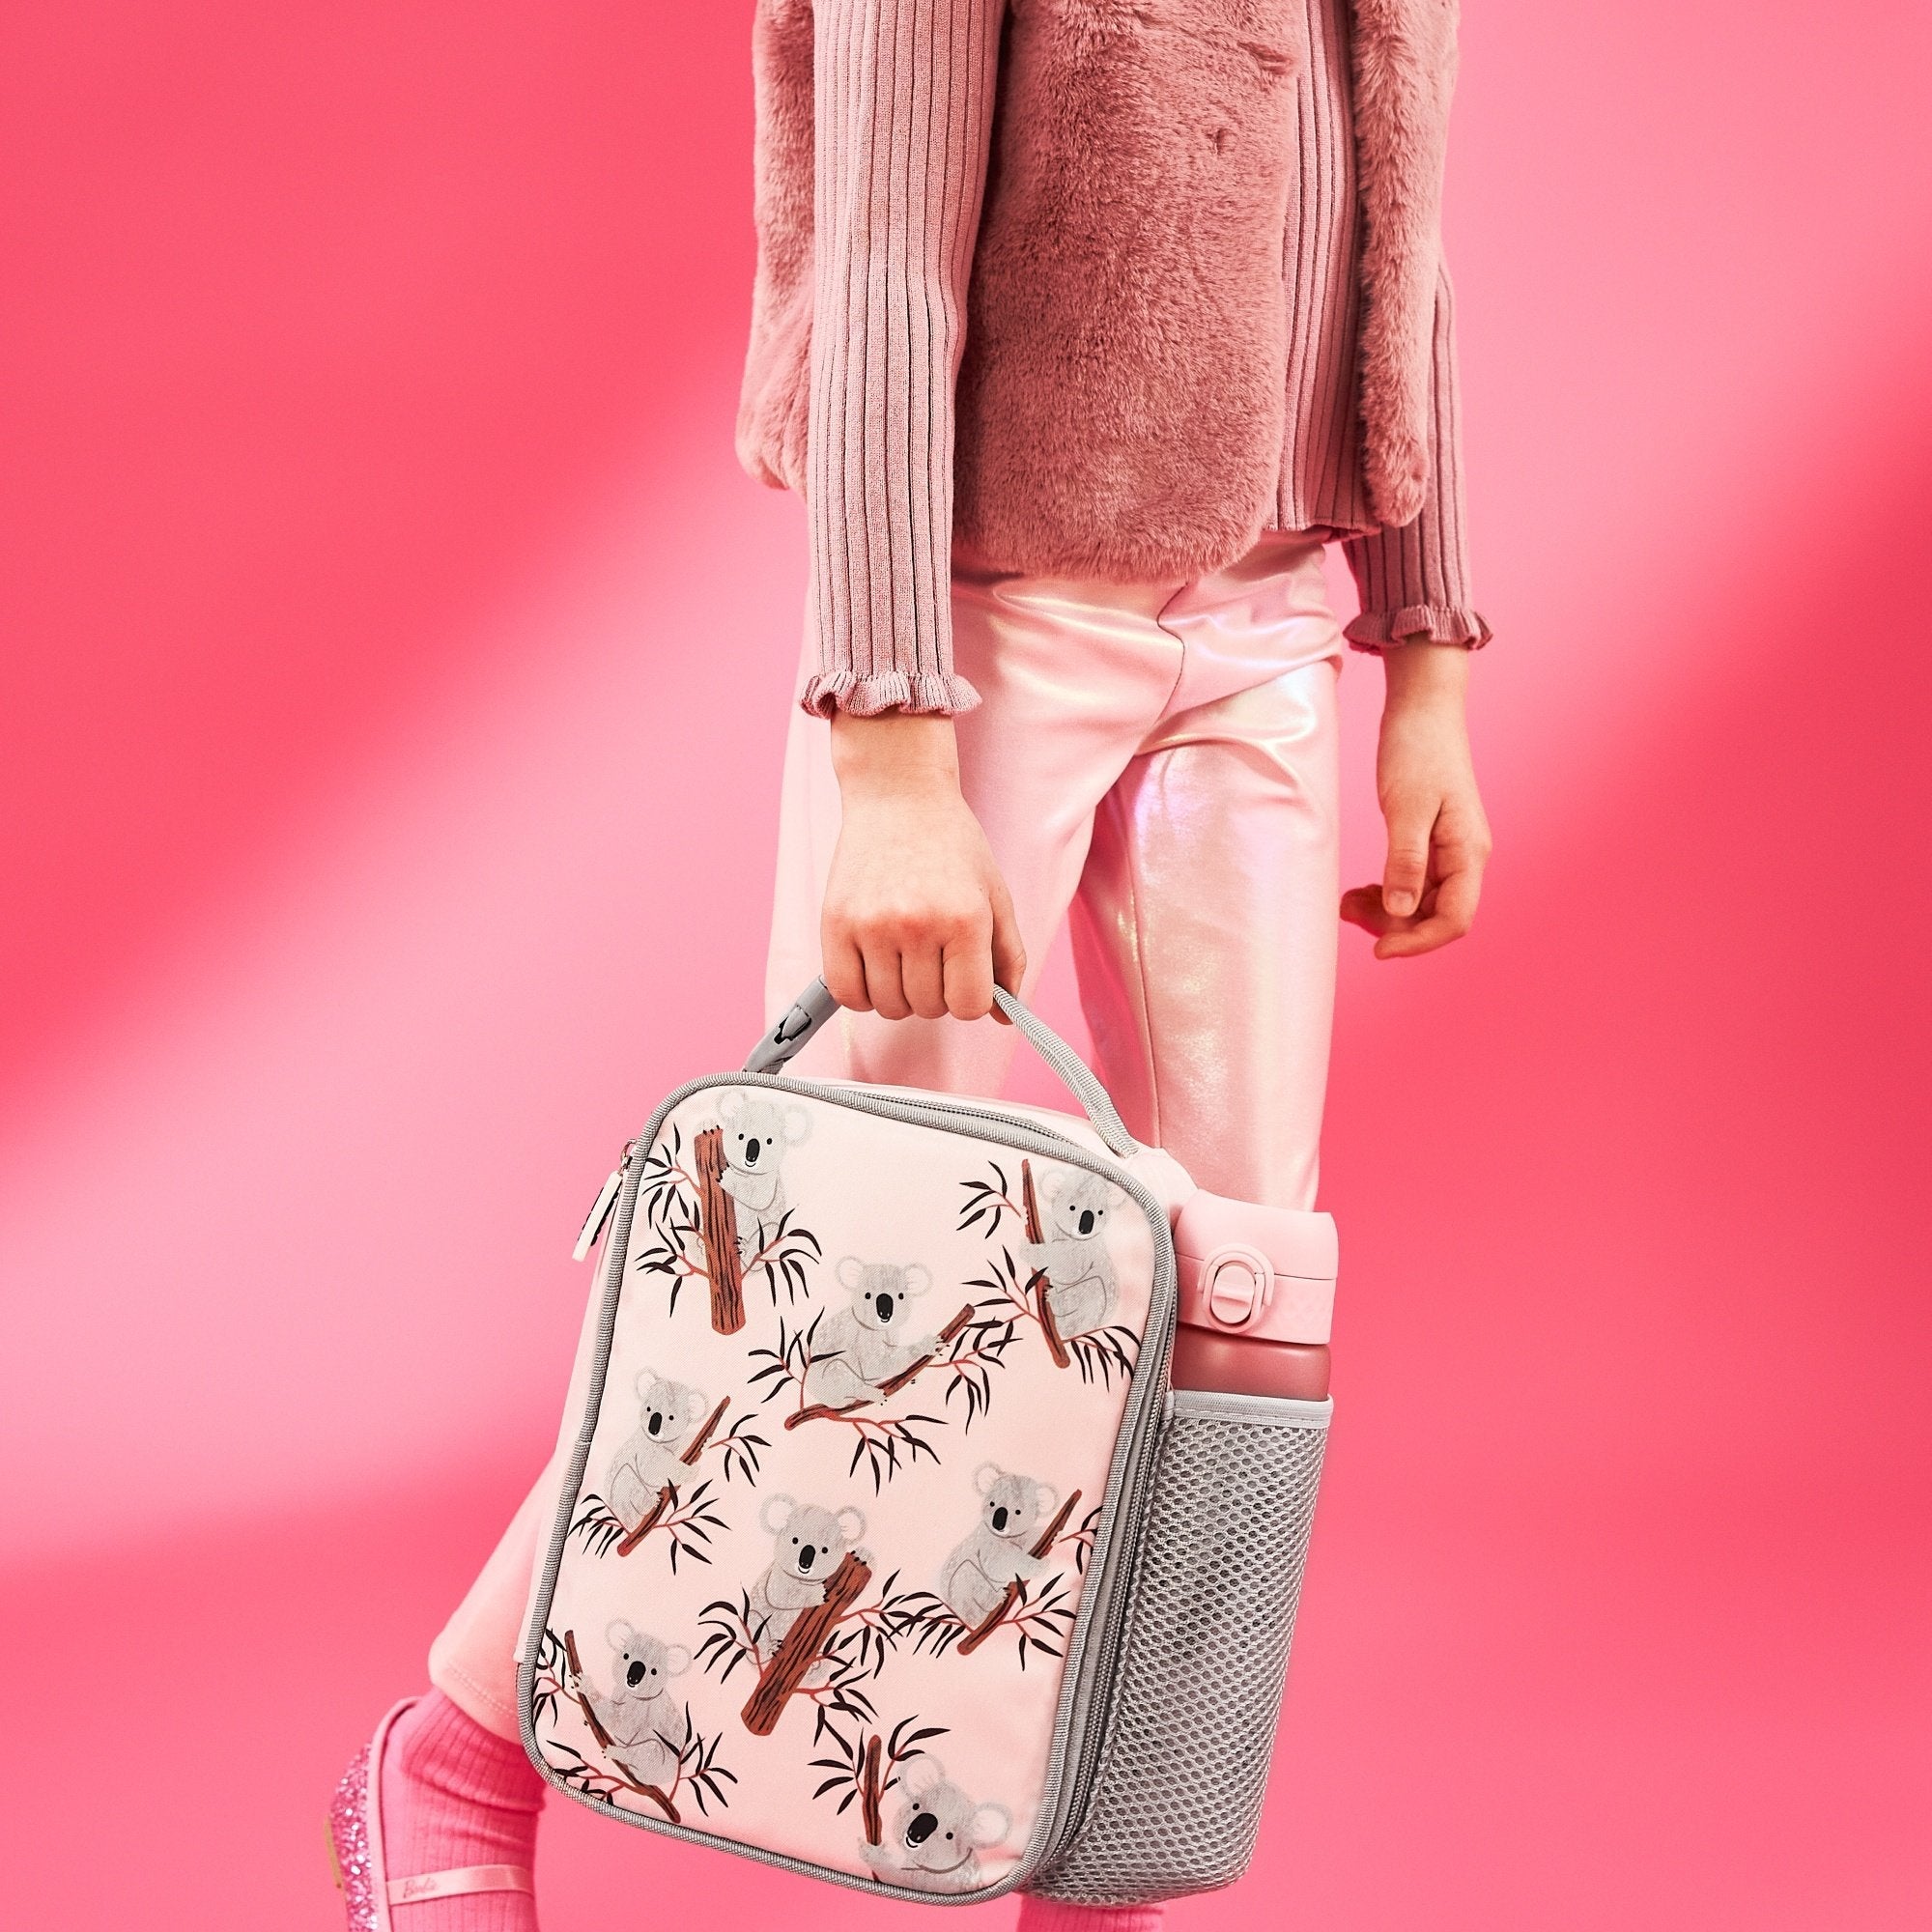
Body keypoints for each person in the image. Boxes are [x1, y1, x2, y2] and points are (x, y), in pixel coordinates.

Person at [328, 1, 1491, 1925]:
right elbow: (881, 259)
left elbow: (1401, 233)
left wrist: (1426, 652)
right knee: (846, 1246)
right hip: (991, 615)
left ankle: (1097, 1876)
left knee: (1231, 1311)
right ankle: (459, 1747)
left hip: (1271, 633)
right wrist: (886, 742)